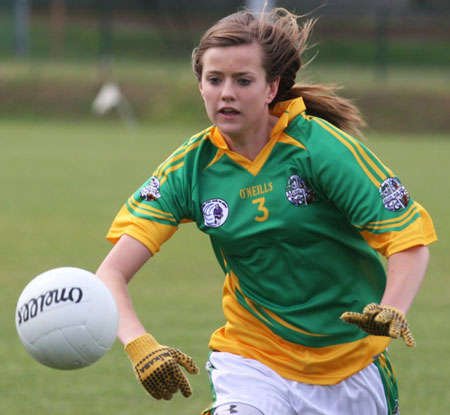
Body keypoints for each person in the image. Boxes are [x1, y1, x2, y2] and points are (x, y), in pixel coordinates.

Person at [96, 7, 437, 415]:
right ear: (200, 86)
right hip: (251, 358)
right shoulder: (189, 168)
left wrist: (394, 307)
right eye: (214, 79)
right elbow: (110, 275)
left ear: (272, 87)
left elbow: (408, 241)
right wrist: (139, 344)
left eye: (243, 81)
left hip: (350, 367)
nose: (226, 93)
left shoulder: (319, 149)